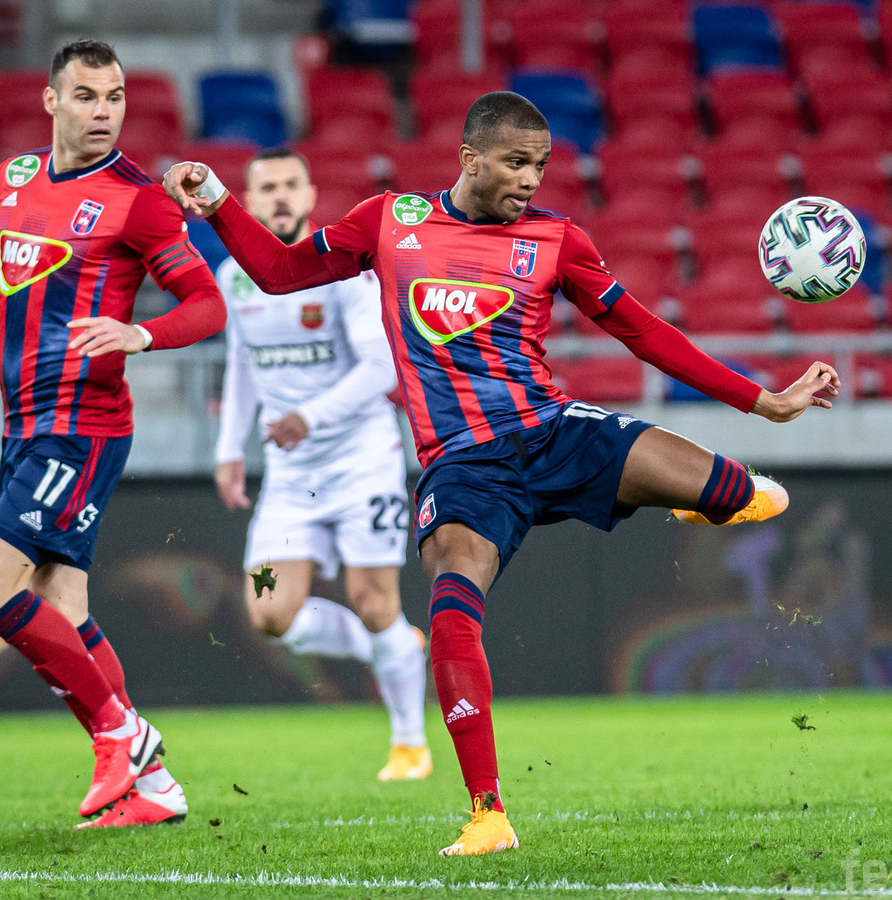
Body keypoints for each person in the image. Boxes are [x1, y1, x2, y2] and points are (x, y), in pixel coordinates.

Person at [164, 91, 839, 856]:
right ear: (470, 158)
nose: (529, 179)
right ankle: (487, 814)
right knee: (452, 606)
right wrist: (215, 201)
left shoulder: (557, 239)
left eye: (540, 166)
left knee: (749, 496)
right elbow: (281, 271)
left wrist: (765, 401)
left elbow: (643, 332)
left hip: (554, 433)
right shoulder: (390, 222)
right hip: (463, 467)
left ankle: (699, 500)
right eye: (516, 162)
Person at [0, 40, 224, 828]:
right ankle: (153, 786)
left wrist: (141, 335)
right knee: (60, 602)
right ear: (52, 101)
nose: (105, 111)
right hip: (25, 424)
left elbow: (206, 303)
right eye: (89, 96)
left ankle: (117, 734)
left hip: (82, 426)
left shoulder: (138, 199)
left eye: (116, 97)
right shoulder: (11, 180)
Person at [214, 148, 430, 781]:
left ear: (310, 198)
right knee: (267, 610)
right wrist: (229, 449)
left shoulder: (339, 271)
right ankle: (392, 647)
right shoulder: (234, 275)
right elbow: (242, 364)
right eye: (267, 188)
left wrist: (309, 416)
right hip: (290, 478)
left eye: (291, 185)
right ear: (249, 202)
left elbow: (382, 367)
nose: (280, 196)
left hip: (363, 464)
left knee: (373, 600)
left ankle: (409, 744)